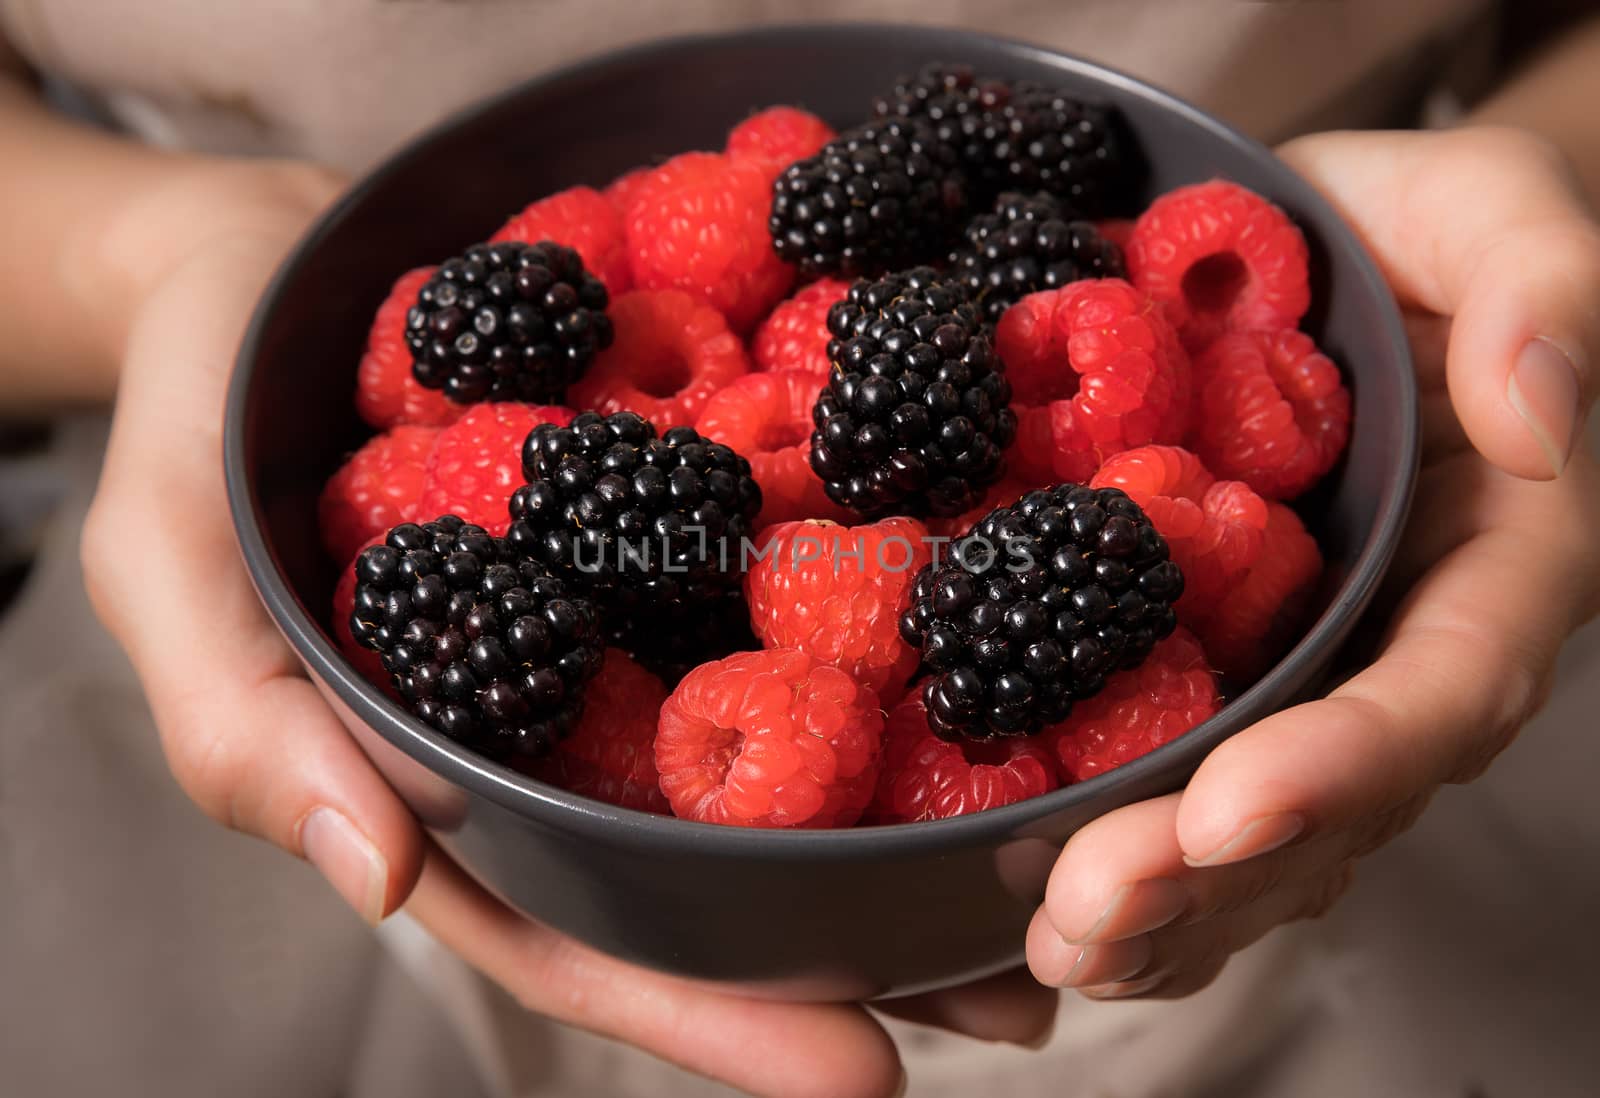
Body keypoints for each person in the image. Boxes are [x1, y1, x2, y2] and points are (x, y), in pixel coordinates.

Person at [1, 2, 1598, 1096]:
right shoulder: (563, 438)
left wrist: (1552, 182)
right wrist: (153, 256)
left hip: (1369, 795)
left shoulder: (1011, 406)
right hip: (236, 770)